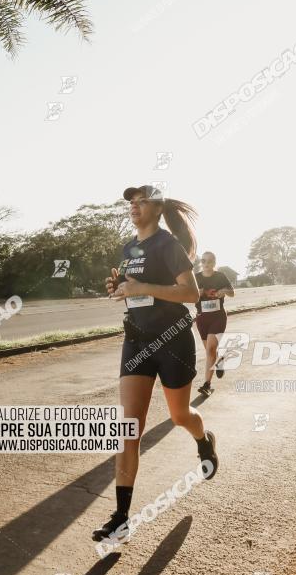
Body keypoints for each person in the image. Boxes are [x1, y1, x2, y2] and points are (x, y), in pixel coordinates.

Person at [92, 185, 218, 546]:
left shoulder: (168, 245)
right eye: (132, 201)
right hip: (137, 339)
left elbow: (191, 294)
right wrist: (120, 288)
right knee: (128, 427)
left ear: (158, 208)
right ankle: (120, 519)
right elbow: (134, 291)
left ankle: (203, 439)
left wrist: (141, 285)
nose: (134, 206)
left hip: (173, 339)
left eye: (142, 200)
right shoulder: (128, 248)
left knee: (180, 416)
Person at [195, 252, 235, 397]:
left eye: (210, 261)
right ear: (201, 262)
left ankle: (207, 384)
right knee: (210, 352)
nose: (207, 263)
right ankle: (219, 361)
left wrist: (224, 290)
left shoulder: (220, 276)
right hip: (202, 319)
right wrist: (196, 294)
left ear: (214, 262)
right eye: (204, 260)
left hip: (218, 317)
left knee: (211, 349)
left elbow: (232, 293)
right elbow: (188, 296)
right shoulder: (196, 277)